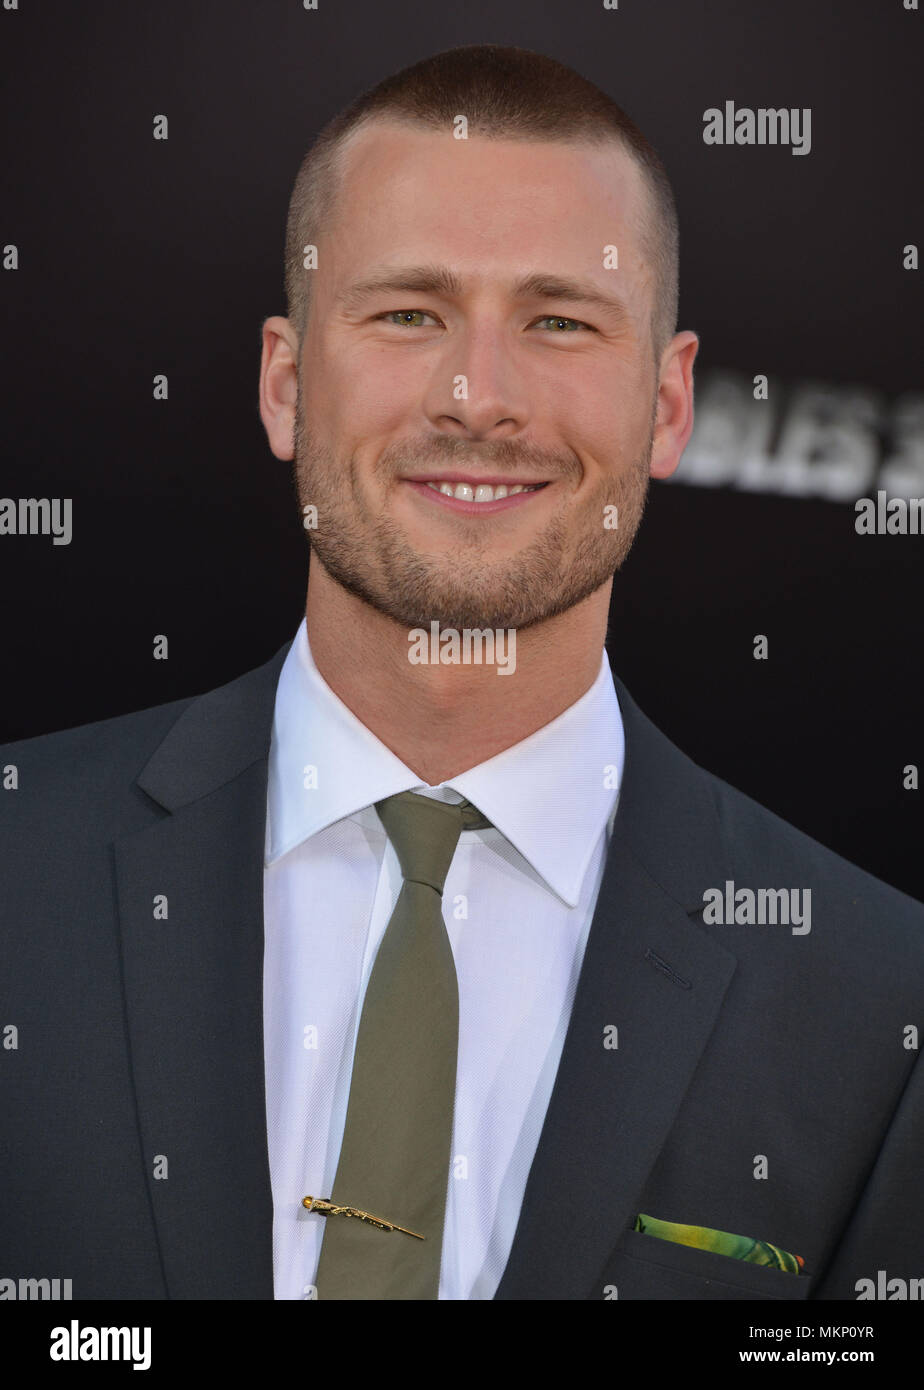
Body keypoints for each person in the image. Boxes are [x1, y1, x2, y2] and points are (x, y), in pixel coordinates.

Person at [2, 44, 922, 1303]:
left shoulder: (880, 1000)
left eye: (557, 321)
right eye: (408, 314)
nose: (478, 397)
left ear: (666, 404)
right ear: (284, 384)